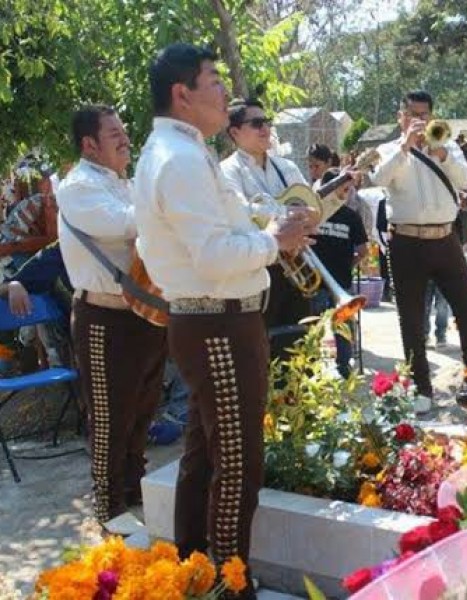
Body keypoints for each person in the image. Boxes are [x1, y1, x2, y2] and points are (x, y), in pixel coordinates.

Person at [132, 44, 311, 595]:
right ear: (182, 95)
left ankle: (192, 570)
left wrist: (262, 231)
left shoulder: (183, 151)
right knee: (238, 464)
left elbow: (215, 236)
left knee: (206, 452)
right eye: (212, 81)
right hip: (217, 324)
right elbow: (212, 256)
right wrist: (273, 240)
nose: (224, 93)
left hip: (216, 322)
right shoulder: (181, 158)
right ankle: (231, 582)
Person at [57, 104, 168, 523]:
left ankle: (133, 495)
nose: (126, 139)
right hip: (103, 319)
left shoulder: (124, 182)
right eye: (114, 134)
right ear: (89, 144)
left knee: (142, 411)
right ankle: (109, 509)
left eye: (124, 131)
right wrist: (166, 202)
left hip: (144, 313)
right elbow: (125, 224)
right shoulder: (77, 186)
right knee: (110, 419)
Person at [370, 90, 467, 403]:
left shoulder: (445, 144)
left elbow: (466, 180)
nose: (418, 121)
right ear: (401, 117)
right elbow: (379, 178)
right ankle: (422, 389)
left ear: (432, 117)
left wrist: (445, 156)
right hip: (406, 241)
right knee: (410, 318)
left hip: (445, 239)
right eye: (412, 114)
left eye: (424, 115)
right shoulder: (388, 149)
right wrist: (405, 147)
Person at [220, 98, 315, 364]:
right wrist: (287, 215)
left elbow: (310, 208)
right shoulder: (227, 171)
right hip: (258, 271)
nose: (265, 128)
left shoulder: (288, 167)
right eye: (256, 123)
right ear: (235, 132)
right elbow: (242, 214)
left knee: (301, 346)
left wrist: (326, 204)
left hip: (297, 269)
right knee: (261, 352)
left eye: (267, 122)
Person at [309, 168, 369, 378]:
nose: (345, 194)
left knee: (316, 326)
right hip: (324, 282)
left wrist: (347, 267)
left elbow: (363, 251)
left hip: (331, 283)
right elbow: (362, 252)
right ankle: (341, 367)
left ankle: (317, 368)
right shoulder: (346, 217)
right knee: (338, 326)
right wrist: (347, 265)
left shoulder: (348, 216)